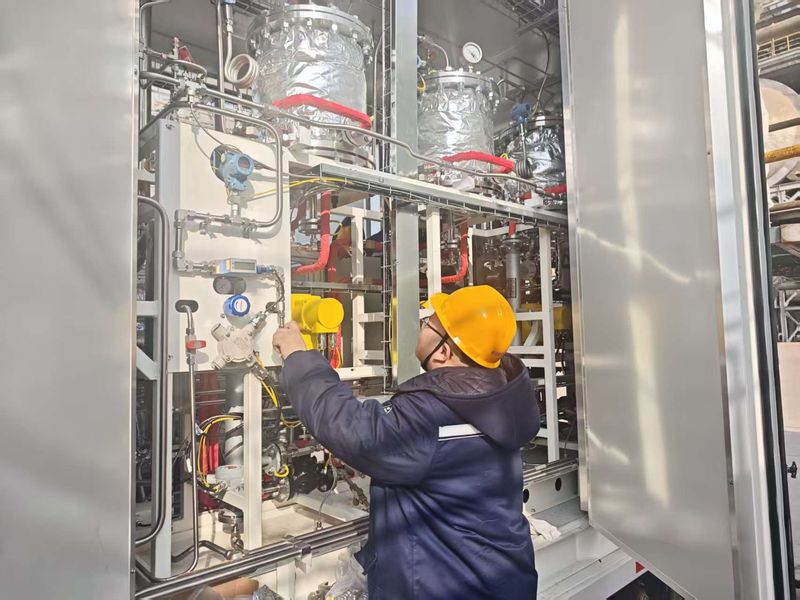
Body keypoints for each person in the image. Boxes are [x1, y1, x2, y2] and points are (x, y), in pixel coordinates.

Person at [272, 285, 540, 599]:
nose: (422, 325)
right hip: (503, 579)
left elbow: (352, 429)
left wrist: (299, 358)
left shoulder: (431, 414)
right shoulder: (499, 399)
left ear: (443, 351)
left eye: (429, 323)